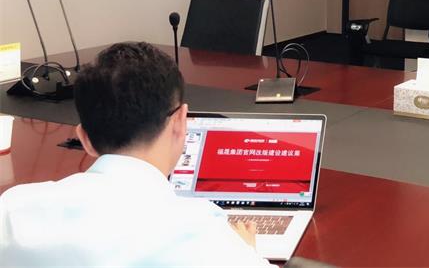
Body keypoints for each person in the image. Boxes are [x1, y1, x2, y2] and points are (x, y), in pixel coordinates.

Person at [0, 42, 269, 267]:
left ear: (84, 139)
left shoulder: (12, 211)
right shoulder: (202, 232)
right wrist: (248, 252)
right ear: (180, 122)